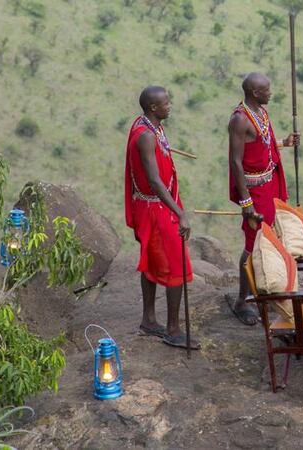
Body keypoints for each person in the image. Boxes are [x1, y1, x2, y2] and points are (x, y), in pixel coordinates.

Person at [124, 85, 199, 349]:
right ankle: (173, 329)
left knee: (153, 259)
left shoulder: (149, 125)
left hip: (155, 205)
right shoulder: (146, 135)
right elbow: (155, 181)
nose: (170, 106)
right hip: (156, 207)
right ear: (153, 108)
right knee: (175, 264)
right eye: (166, 103)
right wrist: (180, 213)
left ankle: (148, 319)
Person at [227, 72, 300, 325]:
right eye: (267, 89)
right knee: (253, 243)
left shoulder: (260, 112)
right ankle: (241, 302)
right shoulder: (239, 119)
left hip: (267, 185)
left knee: (267, 239)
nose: (271, 92)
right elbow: (236, 162)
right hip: (254, 191)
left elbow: (262, 145)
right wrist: (246, 204)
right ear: (255, 93)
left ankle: (261, 293)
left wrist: (284, 143)